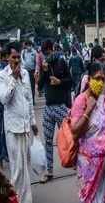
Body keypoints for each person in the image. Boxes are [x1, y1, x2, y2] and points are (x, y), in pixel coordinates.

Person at [0, 42, 38, 203]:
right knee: (17, 168)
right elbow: (5, 99)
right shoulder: (1, 76)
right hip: (13, 129)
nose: (17, 61)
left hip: (26, 127)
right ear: (6, 58)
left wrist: (33, 121)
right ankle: (16, 199)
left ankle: (26, 199)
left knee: (26, 166)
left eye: (18, 57)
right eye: (13, 57)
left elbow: (29, 100)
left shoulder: (26, 74)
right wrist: (13, 78)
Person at [70, 63, 105, 203]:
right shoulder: (81, 100)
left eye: (103, 79)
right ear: (89, 79)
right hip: (88, 165)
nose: (100, 83)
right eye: (97, 78)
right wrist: (88, 110)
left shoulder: (104, 101)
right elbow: (74, 132)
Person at [38, 40, 71, 183]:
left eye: (48, 52)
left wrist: (60, 82)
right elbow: (39, 86)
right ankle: (49, 171)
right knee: (48, 141)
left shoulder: (61, 62)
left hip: (61, 106)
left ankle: (75, 162)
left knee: (68, 138)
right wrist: (43, 72)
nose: (46, 55)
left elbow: (70, 81)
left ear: (52, 49)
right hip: (48, 107)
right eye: (44, 53)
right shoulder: (44, 65)